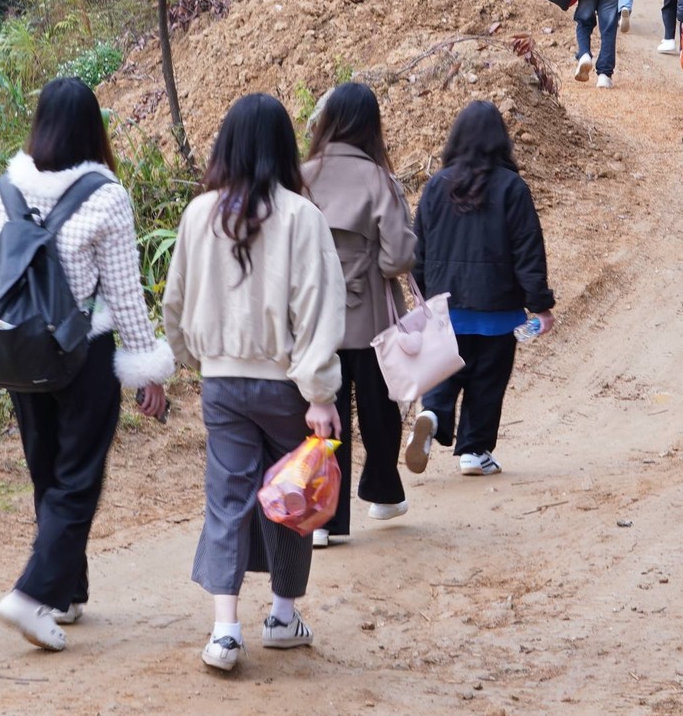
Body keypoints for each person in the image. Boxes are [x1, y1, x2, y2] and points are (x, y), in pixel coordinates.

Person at [0, 78, 175, 652]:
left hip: (18, 352)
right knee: (77, 478)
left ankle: (65, 591)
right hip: (84, 355)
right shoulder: (105, 196)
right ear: (93, 129)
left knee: (47, 471)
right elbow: (126, 294)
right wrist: (147, 368)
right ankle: (32, 595)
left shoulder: (1, 190)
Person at [165, 93, 346, 674]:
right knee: (289, 498)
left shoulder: (199, 214)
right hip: (283, 387)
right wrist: (320, 394)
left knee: (227, 499)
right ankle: (282, 617)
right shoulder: (300, 216)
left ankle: (224, 632)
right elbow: (318, 309)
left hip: (221, 384)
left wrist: (194, 361)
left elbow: (175, 303)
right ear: (282, 147)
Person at [301, 83, 419, 545]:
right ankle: (383, 493)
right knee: (379, 411)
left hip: (315, 321)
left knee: (321, 414)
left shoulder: (302, 174)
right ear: (371, 125)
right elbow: (396, 260)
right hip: (368, 318)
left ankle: (324, 518)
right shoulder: (379, 179)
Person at [414, 101, 554, 477]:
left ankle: (433, 413)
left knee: (445, 371)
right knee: (486, 383)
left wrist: (425, 297)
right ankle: (474, 452)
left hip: (446, 309)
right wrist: (540, 305)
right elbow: (528, 252)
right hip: (498, 313)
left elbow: (418, 251)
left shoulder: (434, 187)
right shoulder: (512, 188)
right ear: (500, 141)